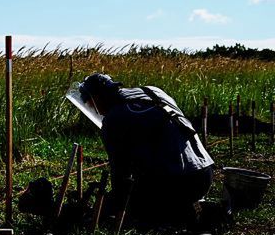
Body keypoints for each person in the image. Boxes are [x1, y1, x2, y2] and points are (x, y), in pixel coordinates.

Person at [74, 73, 214, 226]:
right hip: (204, 175)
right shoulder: (152, 91)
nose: (95, 111)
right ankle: (184, 207)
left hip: (176, 182)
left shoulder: (114, 119)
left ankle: (178, 214)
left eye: (90, 105)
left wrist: (114, 205)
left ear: (97, 98)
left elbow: (120, 173)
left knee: (137, 211)